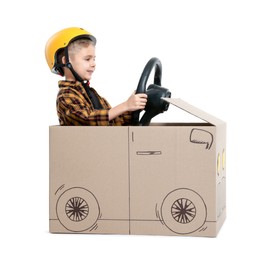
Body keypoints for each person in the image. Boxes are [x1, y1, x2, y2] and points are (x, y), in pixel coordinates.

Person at [45, 27, 147, 126]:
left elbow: (112, 120)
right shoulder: (66, 95)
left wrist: (134, 107)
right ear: (65, 61)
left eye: (94, 59)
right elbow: (87, 120)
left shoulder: (91, 93)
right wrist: (125, 105)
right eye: (87, 59)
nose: (93, 64)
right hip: (84, 143)